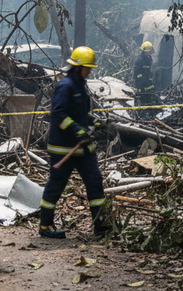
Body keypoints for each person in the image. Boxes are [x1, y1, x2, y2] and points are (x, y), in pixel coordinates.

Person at [39, 46, 108, 239]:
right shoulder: (65, 86)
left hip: (83, 148)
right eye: (87, 67)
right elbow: (59, 114)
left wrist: (93, 122)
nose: (89, 71)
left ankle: (101, 227)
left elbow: (79, 114)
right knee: (56, 185)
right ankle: (45, 225)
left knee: (95, 182)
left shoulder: (79, 85)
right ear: (78, 67)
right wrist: (78, 130)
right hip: (63, 148)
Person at [133, 41, 156, 106]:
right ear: (145, 51)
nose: (150, 52)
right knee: (143, 103)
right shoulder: (140, 61)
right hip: (142, 87)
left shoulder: (149, 59)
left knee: (150, 101)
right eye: (149, 51)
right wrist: (142, 82)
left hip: (148, 85)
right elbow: (136, 74)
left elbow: (148, 71)